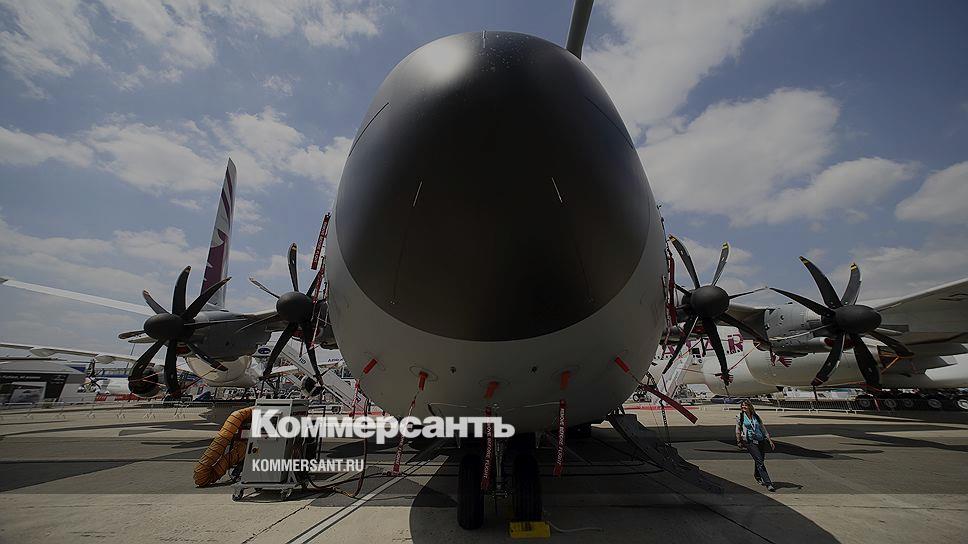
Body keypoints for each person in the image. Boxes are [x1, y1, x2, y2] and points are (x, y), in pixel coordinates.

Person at [735, 400, 776, 492]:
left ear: (750, 406)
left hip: (760, 440)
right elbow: (738, 429)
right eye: (742, 405)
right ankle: (768, 483)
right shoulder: (740, 416)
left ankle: (757, 475)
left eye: (745, 405)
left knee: (760, 460)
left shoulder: (756, 416)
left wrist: (769, 440)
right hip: (749, 441)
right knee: (759, 461)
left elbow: (762, 428)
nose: (743, 407)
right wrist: (738, 441)